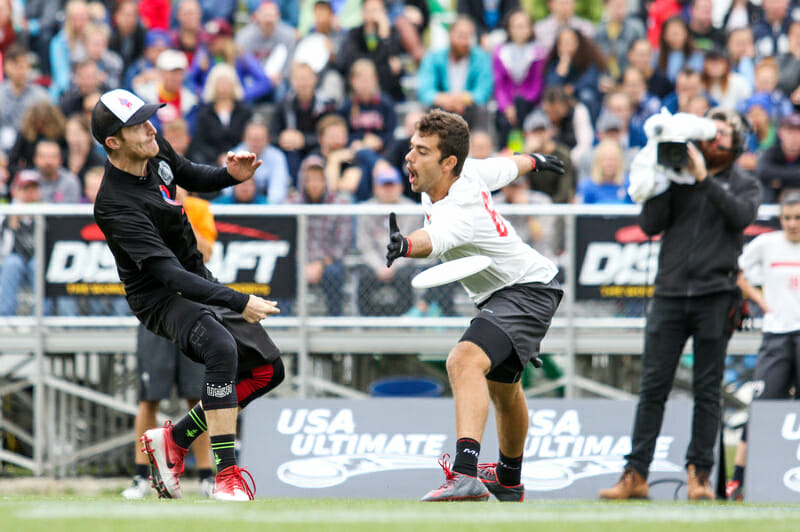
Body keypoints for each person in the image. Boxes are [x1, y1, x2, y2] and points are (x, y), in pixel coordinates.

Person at [91, 88, 285, 501]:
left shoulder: (153, 150)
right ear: (113, 142)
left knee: (269, 371)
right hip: (159, 299)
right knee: (220, 348)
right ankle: (227, 477)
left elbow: (191, 174)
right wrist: (238, 299)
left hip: (195, 278)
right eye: (139, 124)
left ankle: (173, 439)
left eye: (149, 118)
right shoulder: (113, 204)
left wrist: (230, 176)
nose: (151, 127)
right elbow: (168, 275)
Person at [385, 109, 565, 501]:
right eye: (411, 147)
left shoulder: (458, 209)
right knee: (504, 390)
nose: (409, 158)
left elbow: (433, 238)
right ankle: (508, 478)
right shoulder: (463, 171)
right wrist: (535, 161)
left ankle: (465, 473)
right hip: (515, 290)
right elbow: (507, 167)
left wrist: (404, 246)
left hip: (526, 289)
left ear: (448, 162)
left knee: (463, 360)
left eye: (422, 151)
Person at [599, 108, 762, 501]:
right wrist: (660, 177)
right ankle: (635, 473)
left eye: (725, 134)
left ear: (737, 142)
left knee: (708, 390)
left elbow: (740, 216)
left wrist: (704, 179)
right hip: (670, 294)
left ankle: (700, 475)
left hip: (716, 295)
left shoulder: (745, 184)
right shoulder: (678, 177)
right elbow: (650, 224)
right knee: (652, 387)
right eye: (712, 132)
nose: (716, 140)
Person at [122, 186, 218, 500]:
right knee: (149, 398)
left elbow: (204, 252)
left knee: (196, 397)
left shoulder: (197, 209)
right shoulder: (144, 207)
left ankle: (206, 477)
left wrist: (179, 217)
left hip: (191, 311)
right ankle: (141, 477)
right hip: (156, 311)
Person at [725, 192, 800, 501]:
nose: (792, 224)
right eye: (787, 218)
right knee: (761, 408)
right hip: (777, 336)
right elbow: (736, 271)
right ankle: (738, 481)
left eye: (798, 218)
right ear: (780, 218)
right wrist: (758, 301)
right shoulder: (766, 244)